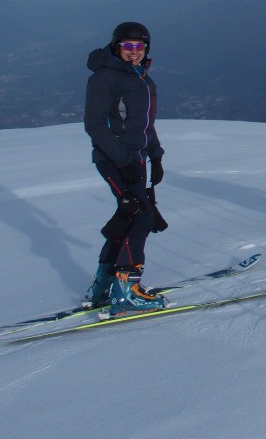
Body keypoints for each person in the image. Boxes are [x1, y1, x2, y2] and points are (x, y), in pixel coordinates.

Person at [82, 22, 168, 315]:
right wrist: (122, 161)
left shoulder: (142, 79)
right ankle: (126, 288)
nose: (134, 52)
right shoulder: (105, 78)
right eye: (128, 46)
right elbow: (95, 125)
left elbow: (144, 125)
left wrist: (155, 156)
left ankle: (102, 287)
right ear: (117, 46)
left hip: (136, 158)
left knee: (129, 215)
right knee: (141, 217)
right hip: (115, 158)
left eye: (140, 47)